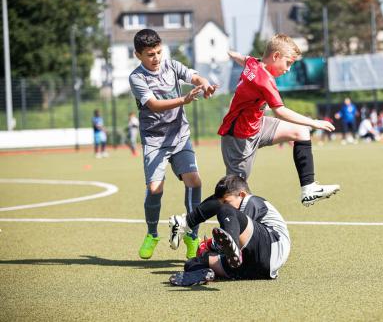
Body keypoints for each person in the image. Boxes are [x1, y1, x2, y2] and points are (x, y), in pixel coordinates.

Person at [220, 34, 339, 207]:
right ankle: (190, 220)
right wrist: (314, 122)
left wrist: (232, 54)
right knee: (234, 191)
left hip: (256, 126)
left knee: (300, 131)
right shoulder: (265, 80)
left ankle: (309, 188)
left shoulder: (255, 63)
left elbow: (244, 59)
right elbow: (280, 111)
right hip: (239, 136)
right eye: (288, 63)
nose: (288, 69)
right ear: (275, 56)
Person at [128, 29, 218, 260]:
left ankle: (192, 234)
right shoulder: (137, 78)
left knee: (194, 180)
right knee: (155, 189)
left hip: (180, 137)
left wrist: (205, 84)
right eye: (150, 54)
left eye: (158, 51)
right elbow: (155, 105)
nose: (156, 57)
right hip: (155, 141)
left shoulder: (172, 65)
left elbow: (194, 77)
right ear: (138, 55)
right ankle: (152, 234)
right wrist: (184, 100)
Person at [168, 174, 290, 285]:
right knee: (192, 264)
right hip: (256, 268)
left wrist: (212, 245)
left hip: (270, 247)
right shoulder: (238, 206)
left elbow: (240, 233)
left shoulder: (252, 201)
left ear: (242, 195)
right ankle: (208, 273)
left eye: (227, 201)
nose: (224, 204)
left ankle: (187, 224)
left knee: (225, 209)